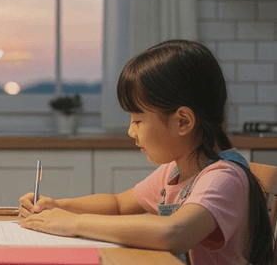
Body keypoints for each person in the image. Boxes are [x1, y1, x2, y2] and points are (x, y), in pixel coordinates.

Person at [18, 40, 275, 265]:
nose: (131, 131)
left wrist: (72, 223)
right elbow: (118, 205)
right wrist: (57, 206)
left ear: (183, 121)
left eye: (137, 120)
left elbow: (173, 233)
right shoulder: (175, 171)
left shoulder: (224, 178)